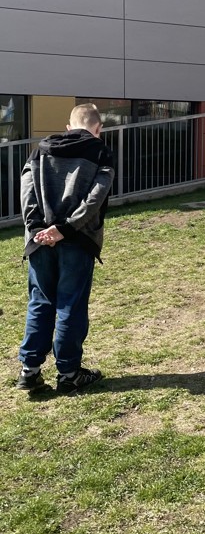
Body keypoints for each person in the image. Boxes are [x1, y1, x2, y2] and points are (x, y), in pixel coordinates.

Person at [16, 102, 115, 393]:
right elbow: (96, 196)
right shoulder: (100, 152)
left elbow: (26, 190)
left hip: (39, 242)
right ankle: (69, 373)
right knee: (71, 305)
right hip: (77, 241)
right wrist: (65, 229)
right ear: (98, 129)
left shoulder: (40, 150)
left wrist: (37, 229)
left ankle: (29, 371)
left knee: (40, 302)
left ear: (69, 127)